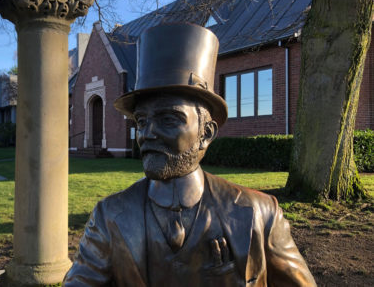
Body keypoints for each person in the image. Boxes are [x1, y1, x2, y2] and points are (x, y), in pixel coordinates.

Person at [64, 23, 316, 287]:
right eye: (141, 121)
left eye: (169, 119)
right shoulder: (109, 217)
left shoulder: (260, 215)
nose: (146, 134)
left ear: (206, 133)